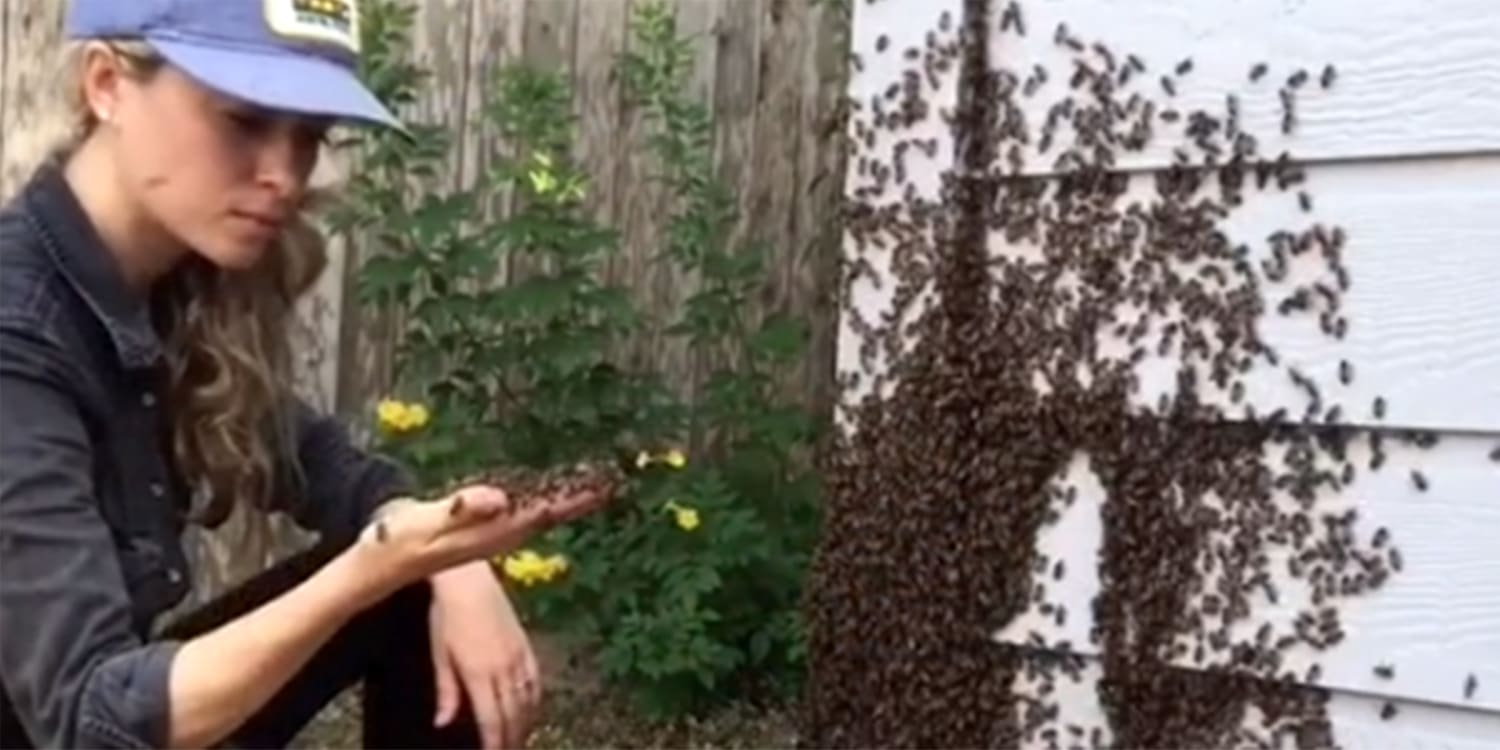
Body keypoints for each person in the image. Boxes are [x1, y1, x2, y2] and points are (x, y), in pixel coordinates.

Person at [0, 1, 613, 748]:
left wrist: (451, 565)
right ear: (107, 84)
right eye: (246, 121)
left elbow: (329, 468)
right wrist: (372, 569)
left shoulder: (172, 288)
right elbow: (88, 721)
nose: (285, 175)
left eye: (309, 137)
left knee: (416, 583)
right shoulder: (18, 333)